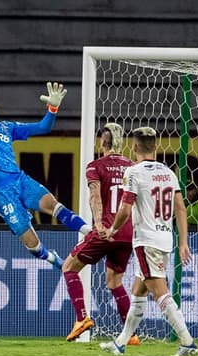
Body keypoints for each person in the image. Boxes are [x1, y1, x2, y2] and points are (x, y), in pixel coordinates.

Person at [0, 44, 91, 269]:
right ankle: (55, 261)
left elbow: (43, 128)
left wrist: (53, 109)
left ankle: (91, 234)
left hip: (19, 179)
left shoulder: (7, 128)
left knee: (53, 204)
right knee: (31, 243)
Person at [99, 127, 198, 356]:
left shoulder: (133, 172)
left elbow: (125, 208)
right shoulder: (168, 173)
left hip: (146, 241)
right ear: (155, 146)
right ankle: (120, 342)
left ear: (134, 147)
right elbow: (181, 209)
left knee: (162, 295)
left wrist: (113, 229)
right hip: (165, 239)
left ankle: (187, 341)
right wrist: (183, 242)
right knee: (138, 293)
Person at [62, 123, 139, 344]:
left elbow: (95, 196)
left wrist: (98, 224)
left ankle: (82, 319)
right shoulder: (133, 167)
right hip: (127, 234)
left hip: (105, 230)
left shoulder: (95, 166)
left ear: (103, 143)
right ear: (121, 143)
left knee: (69, 267)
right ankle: (131, 334)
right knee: (115, 281)